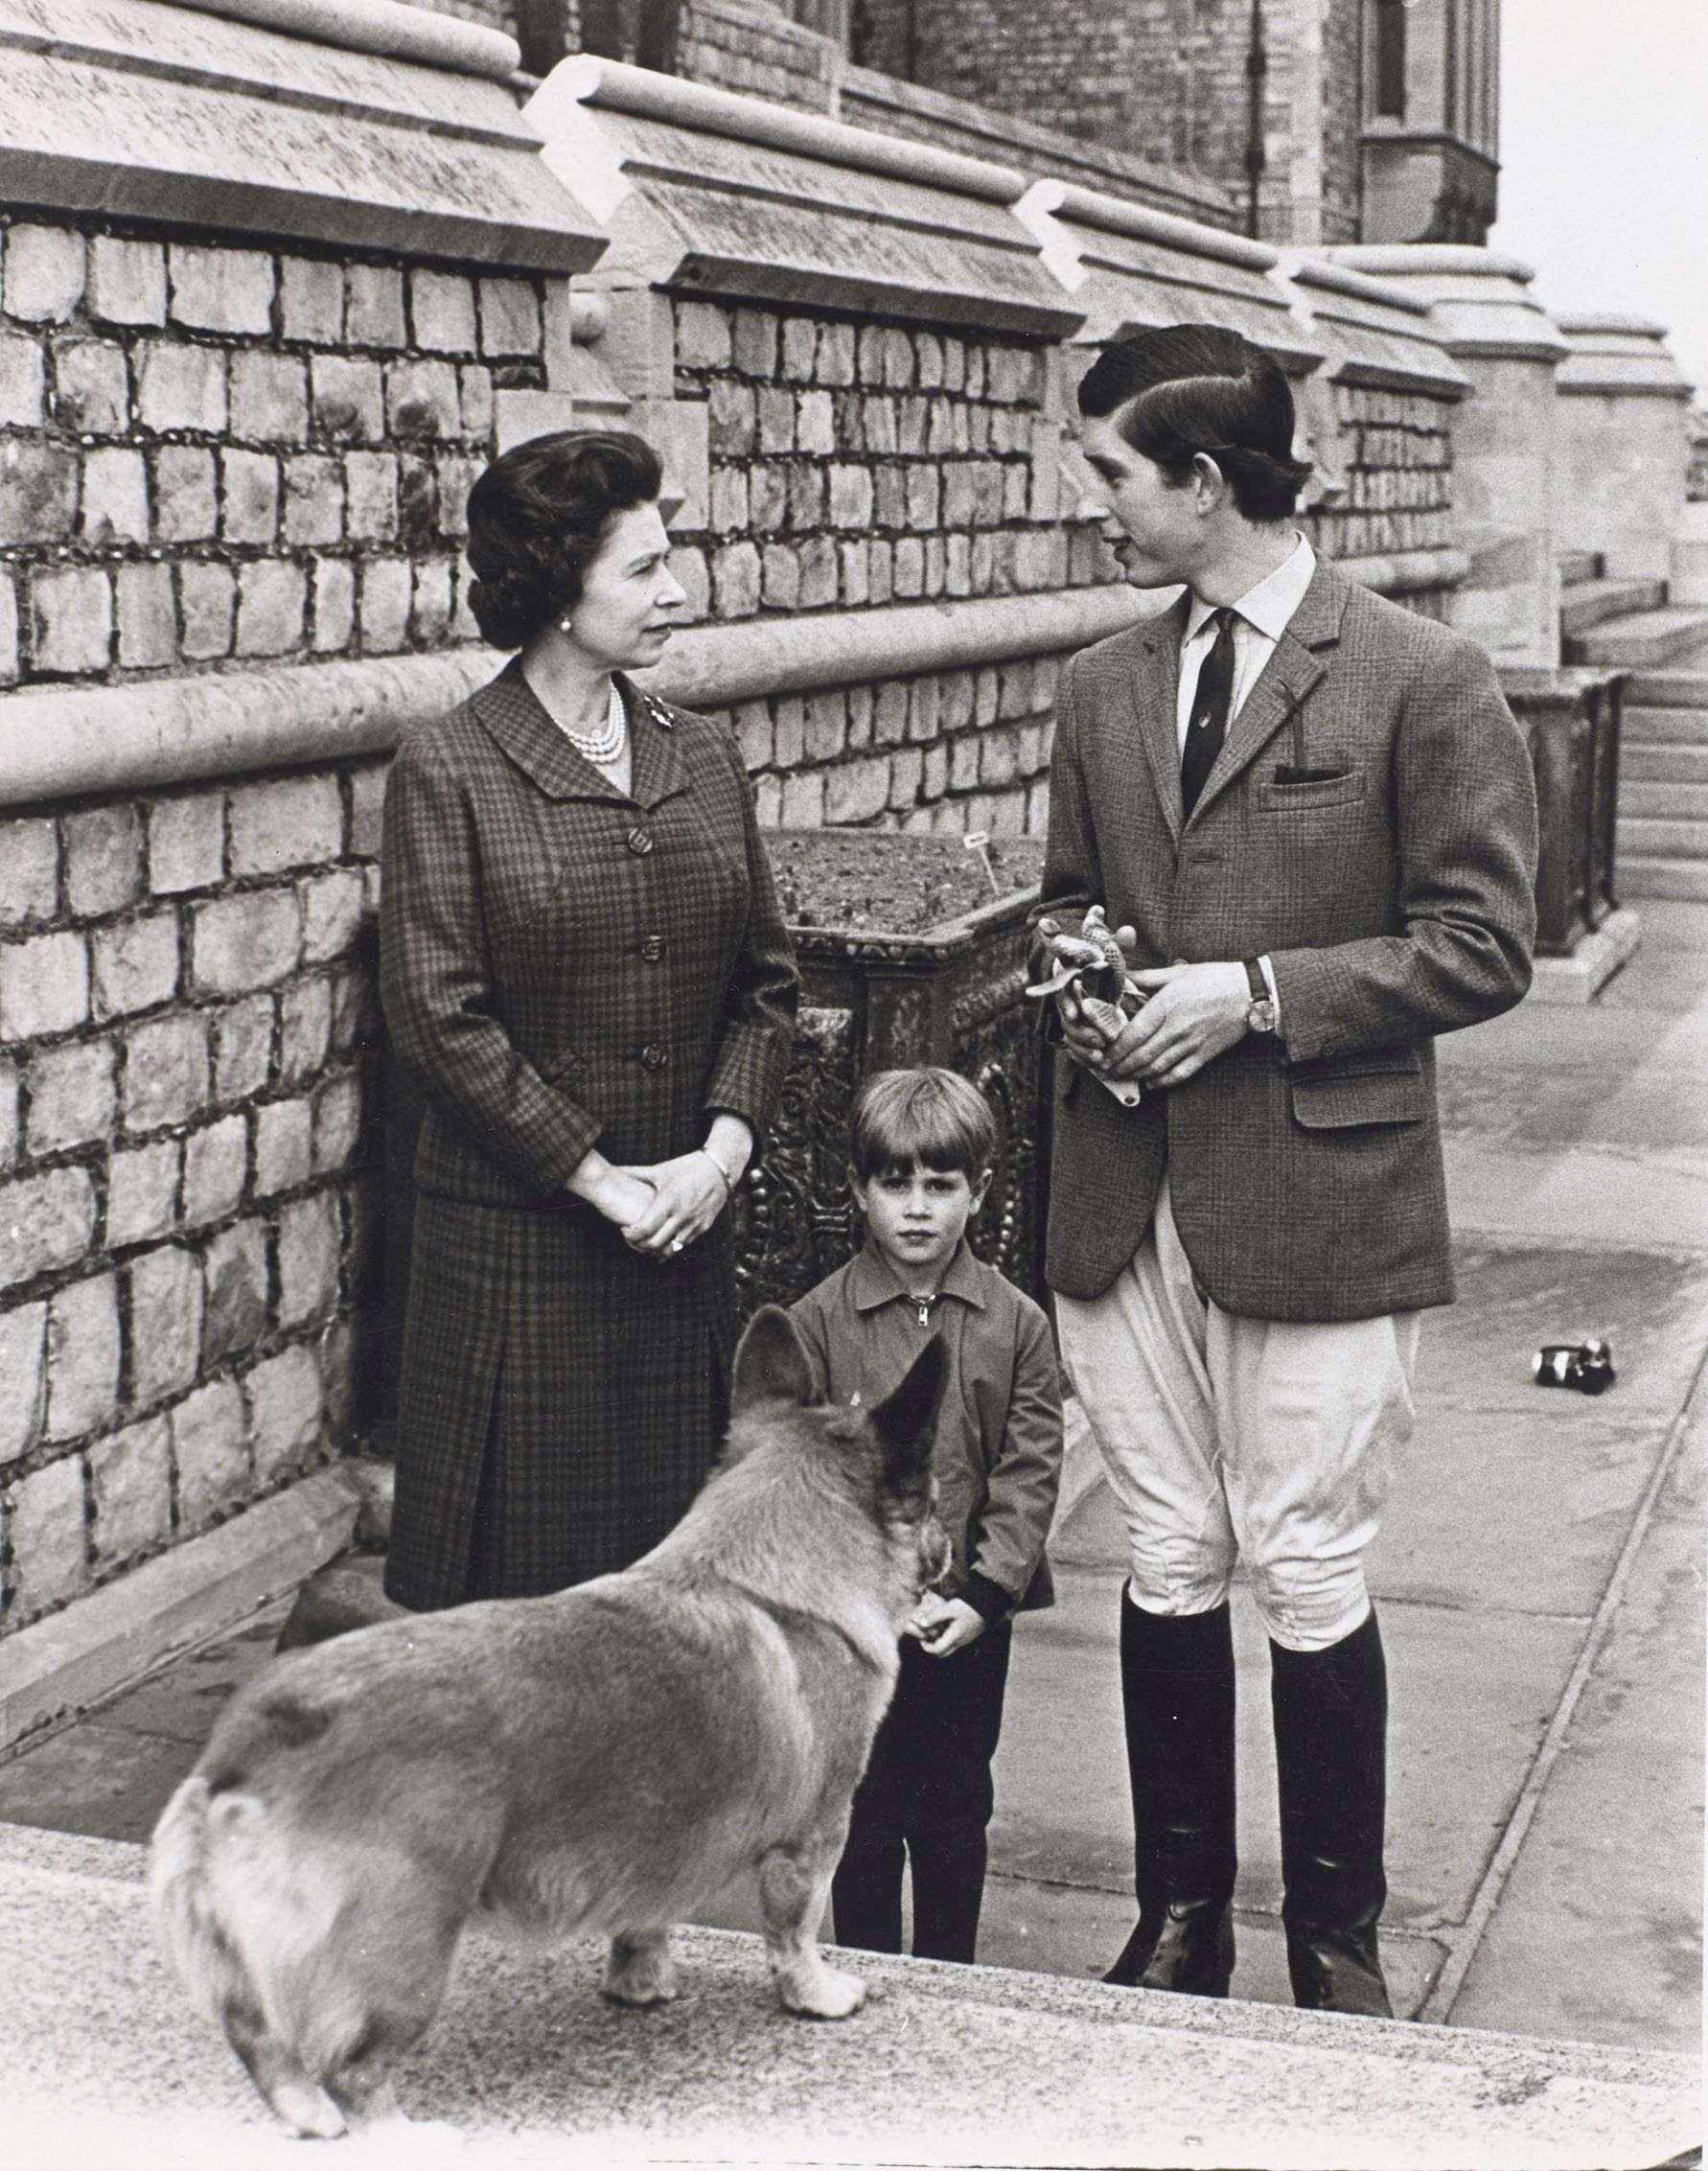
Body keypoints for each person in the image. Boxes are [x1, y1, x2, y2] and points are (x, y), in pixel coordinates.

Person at [1037, 324, 1537, 2014]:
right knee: (1164, 1552)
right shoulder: (1100, 683)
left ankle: (1335, 1947)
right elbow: (1064, 901)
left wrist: (1248, 1000)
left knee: (1307, 1561)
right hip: (1123, 1193)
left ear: (1203, 481)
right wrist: (1090, 987)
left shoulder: (1416, 675)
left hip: (1321, 1190)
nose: (1084, 496)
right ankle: (1179, 1918)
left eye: (1106, 468)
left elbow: (1479, 949)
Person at [380, 429, 798, 1609]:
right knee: (530, 1634)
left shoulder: (703, 753)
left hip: (679, 1255)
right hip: (527, 1257)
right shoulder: (452, 769)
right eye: (643, 569)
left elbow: (765, 987)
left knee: (675, 1620)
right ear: (560, 594)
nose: (677, 594)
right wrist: (611, 1185)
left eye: (674, 560)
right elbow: (438, 1019)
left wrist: (717, 1162)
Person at [788, 1068, 1064, 1965]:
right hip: (855, 1625)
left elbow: (1029, 1470)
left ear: (978, 1191)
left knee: (953, 1807)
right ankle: (861, 1968)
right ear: (858, 1190)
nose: (917, 1208)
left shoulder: (1016, 1324)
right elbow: (804, 1476)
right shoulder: (816, 1324)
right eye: (895, 1183)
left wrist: (986, 1595)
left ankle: (951, 1977)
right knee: (858, 1806)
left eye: (940, 1185)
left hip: (966, 1620)